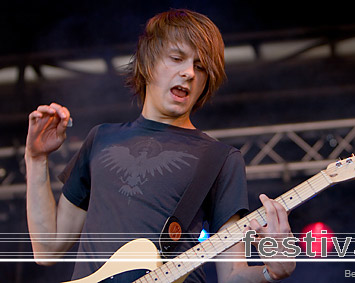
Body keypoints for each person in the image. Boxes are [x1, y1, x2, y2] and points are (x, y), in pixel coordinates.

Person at [25, 8, 295, 282]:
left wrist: (271, 271)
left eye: (200, 67)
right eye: (177, 58)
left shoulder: (219, 158)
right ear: (148, 61)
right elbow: (47, 249)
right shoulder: (101, 139)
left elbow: (232, 274)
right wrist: (35, 159)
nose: (189, 73)